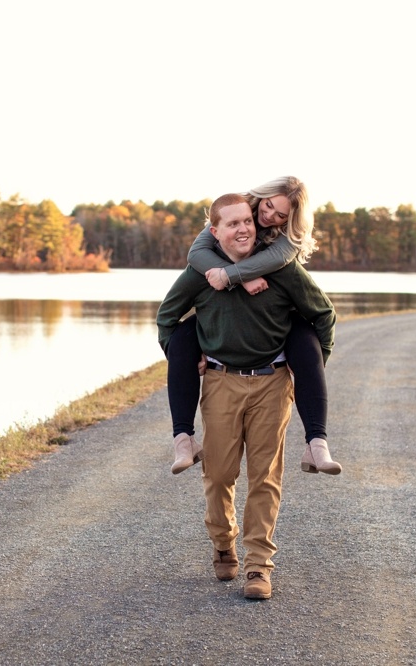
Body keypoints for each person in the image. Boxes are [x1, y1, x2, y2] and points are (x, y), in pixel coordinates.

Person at [156, 192, 337, 600]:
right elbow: (167, 319)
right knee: (219, 474)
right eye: (232, 223)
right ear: (214, 231)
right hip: (221, 380)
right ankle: (224, 542)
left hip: (273, 383)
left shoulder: (281, 268)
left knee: (265, 477)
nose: (242, 229)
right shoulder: (199, 273)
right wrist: (186, 358)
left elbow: (323, 315)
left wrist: (309, 365)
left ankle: (259, 565)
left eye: (247, 222)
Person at [166, 176, 340, 477]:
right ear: (260, 197)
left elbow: (323, 312)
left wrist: (312, 365)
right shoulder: (233, 214)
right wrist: (238, 275)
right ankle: (183, 438)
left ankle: (316, 441)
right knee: (182, 335)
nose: (269, 216)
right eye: (269, 205)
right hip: (223, 363)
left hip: (279, 330)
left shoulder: (284, 251)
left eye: (280, 215)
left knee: (306, 340)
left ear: (289, 221)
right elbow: (195, 254)